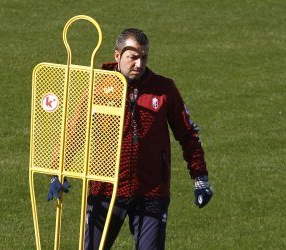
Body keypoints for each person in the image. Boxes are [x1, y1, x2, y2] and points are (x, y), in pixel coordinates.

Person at [47, 28, 213, 250]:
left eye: (144, 57)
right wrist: (58, 170)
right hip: (106, 189)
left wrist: (200, 176)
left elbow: (188, 134)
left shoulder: (164, 89)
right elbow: (75, 131)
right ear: (117, 56)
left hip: (152, 191)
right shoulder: (97, 87)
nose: (139, 64)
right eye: (133, 57)